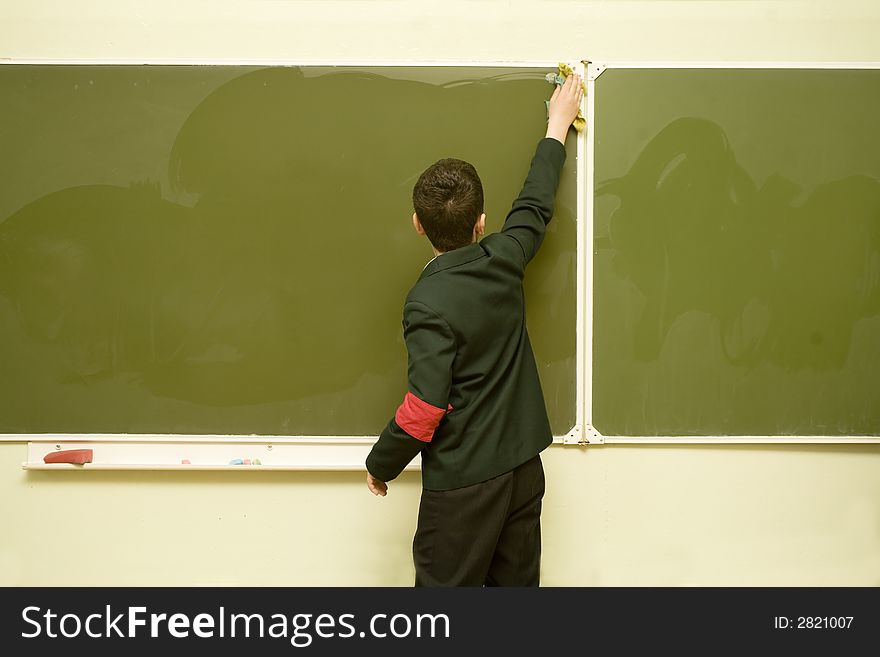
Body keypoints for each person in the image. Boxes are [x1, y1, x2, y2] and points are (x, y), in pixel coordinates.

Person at [365, 74, 583, 586]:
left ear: (418, 223)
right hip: (523, 471)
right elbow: (534, 206)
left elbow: (424, 409)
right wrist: (556, 126)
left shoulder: (426, 302)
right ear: (481, 221)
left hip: (465, 488)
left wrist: (382, 464)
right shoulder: (504, 257)